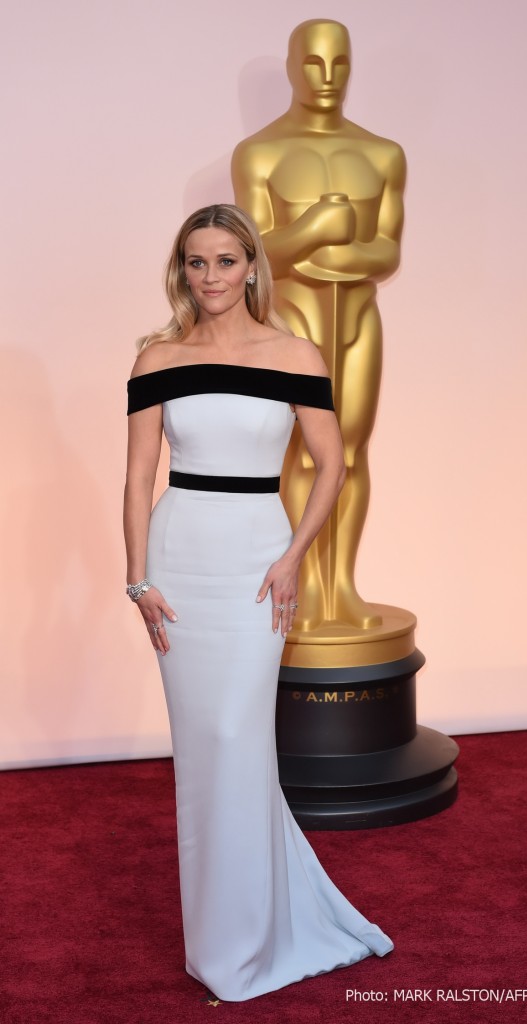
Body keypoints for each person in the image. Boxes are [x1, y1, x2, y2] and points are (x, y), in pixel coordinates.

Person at [123, 203, 393, 1001]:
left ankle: (251, 941)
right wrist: (137, 576)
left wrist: (293, 557)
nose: (210, 277)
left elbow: (332, 465)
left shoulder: (296, 353)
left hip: (255, 559)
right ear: (183, 270)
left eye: (226, 261)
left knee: (241, 735)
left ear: (252, 267)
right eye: (196, 263)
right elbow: (140, 477)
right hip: (179, 559)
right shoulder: (154, 359)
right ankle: (222, 944)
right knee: (205, 748)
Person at [232, 19, 406, 630]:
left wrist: (327, 253)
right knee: (297, 456)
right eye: (313, 64)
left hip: (357, 318)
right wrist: (314, 232)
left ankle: (342, 588)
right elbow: (253, 251)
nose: (327, 78)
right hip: (292, 324)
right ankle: (299, 583)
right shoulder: (260, 153)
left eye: (340, 65)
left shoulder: (382, 154)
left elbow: (387, 252)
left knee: (351, 454)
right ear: (290, 66)